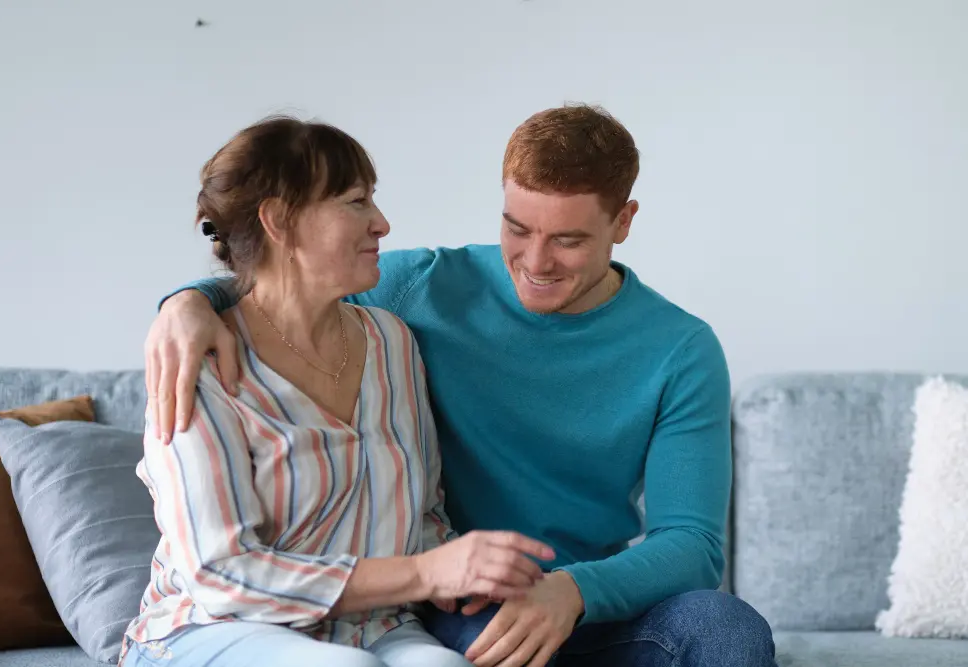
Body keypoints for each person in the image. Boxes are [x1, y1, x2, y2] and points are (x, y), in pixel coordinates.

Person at [145, 104, 778, 666]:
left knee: (726, 630)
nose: (535, 262)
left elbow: (692, 544)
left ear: (624, 221)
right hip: (463, 601)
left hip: (594, 596)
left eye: (568, 240)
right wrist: (186, 304)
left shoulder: (681, 348)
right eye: (518, 229)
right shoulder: (418, 290)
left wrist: (575, 592)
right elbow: (284, 282)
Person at [121, 116, 558, 667]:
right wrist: (424, 573)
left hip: (368, 626)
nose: (382, 223)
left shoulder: (392, 343)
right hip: (213, 628)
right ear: (279, 221)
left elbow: (420, 515)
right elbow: (219, 574)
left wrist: (466, 569)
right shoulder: (198, 360)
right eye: (356, 201)